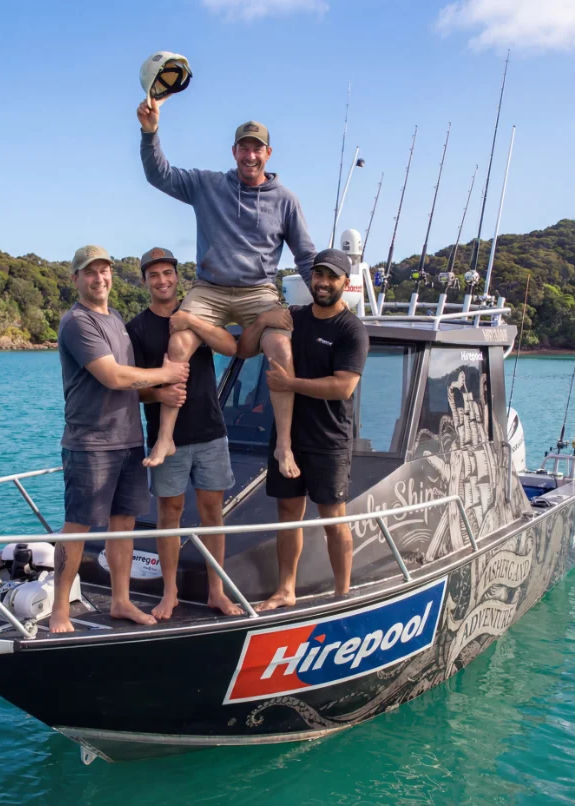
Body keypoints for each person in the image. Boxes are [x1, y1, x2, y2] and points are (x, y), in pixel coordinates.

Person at [137, 96, 317, 480]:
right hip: (211, 288)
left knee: (281, 348)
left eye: (257, 149)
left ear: (268, 153)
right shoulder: (208, 185)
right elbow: (159, 175)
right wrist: (150, 131)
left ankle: (283, 443)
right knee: (179, 341)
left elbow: (305, 255)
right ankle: (166, 436)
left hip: (258, 291)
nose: (250, 156)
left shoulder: (286, 201)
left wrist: (323, 306)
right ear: (234, 151)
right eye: (243, 148)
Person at [52, 245, 190, 633]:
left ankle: (121, 601)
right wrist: (166, 375)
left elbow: (131, 383)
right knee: (77, 527)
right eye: (90, 272)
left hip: (129, 439)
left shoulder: (114, 318)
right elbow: (113, 377)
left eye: (105, 271)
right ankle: (60, 609)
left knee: (123, 526)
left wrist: (157, 392)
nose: (99, 278)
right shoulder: (77, 323)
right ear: (76, 279)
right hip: (90, 442)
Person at [237, 248, 367, 610]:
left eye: (332, 277)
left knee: (333, 519)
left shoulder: (351, 330)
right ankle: (286, 590)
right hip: (288, 438)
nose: (323, 283)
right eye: (318, 276)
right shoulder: (292, 318)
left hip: (329, 439)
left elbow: (344, 387)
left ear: (345, 282)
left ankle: (343, 594)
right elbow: (244, 350)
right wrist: (263, 320)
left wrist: (291, 383)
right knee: (287, 516)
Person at [126, 247, 245, 620]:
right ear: (144, 281)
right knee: (169, 515)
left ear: (178, 277)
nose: (162, 280)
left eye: (168, 273)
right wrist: (158, 392)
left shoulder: (197, 314)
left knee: (213, 514)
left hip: (210, 430)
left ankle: (216, 592)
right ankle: (170, 593)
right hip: (167, 441)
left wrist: (194, 324)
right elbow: (132, 386)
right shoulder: (137, 329)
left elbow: (233, 346)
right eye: (154, 275)